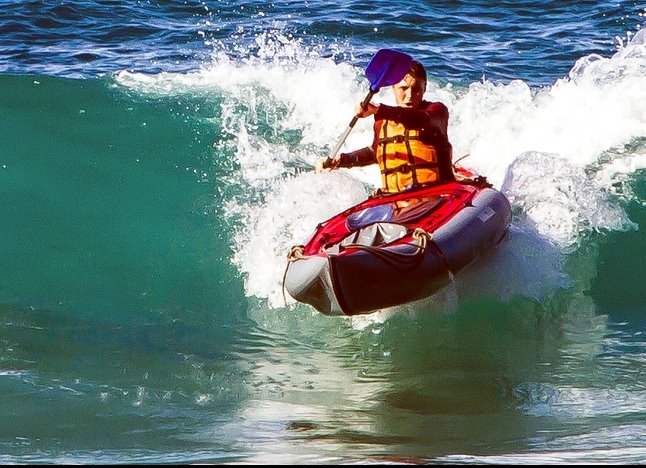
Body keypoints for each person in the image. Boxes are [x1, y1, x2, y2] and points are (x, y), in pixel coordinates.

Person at [316, 60, 455, 193]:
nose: (409, 96)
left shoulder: (437, 112)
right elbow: (375, 152)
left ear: (425, 88)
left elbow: (419, 120)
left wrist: (377, 109)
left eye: (417, 89)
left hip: (437, 194)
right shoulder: (382, 122)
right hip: (393, 197)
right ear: (393, 88)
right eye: (403, 88)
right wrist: (340, 160)